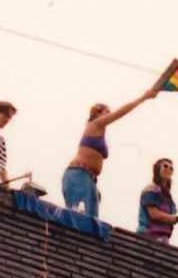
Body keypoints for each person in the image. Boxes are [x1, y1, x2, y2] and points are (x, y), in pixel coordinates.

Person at [62, 78, 162, 218]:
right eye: (106, 112)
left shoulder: (100, 131)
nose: (109, 114)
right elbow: (120, 113)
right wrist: (143, 98)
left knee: (90, 219)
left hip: (89, 178)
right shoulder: (94, 125)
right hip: (79, 175)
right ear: (97, 114)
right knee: (80, 218)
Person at [137, 159, 178, 242]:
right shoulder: (151, 189)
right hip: (147, 236)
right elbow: (154, 214)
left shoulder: (168, 197)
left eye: (171, 168)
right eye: (165, 166)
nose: (168, 169)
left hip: (162, 239)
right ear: (157, 169)